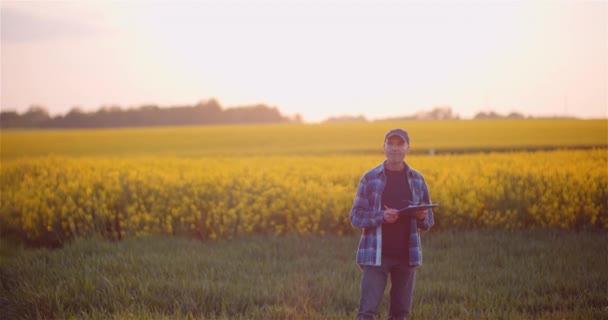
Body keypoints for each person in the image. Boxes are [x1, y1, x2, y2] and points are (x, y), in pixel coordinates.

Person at [350, 128, 435, 320]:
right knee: (367, 312)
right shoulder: (370, 178)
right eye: (391, 144)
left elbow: (429, 222)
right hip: (376, 256)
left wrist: (422, 217)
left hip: (407, 256)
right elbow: (355, 217)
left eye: (400, 144)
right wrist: (381, 216)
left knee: (400, 314)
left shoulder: (418, 180)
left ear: (408, 148)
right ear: (384, 147)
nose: (395, 149)